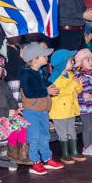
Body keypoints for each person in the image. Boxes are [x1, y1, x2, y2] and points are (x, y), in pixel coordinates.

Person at [20, 42, 63, 175]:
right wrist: (46, 90)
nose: (47, 57)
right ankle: (35, 162)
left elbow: (46, 83)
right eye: (44, 55)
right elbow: (29, 92)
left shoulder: (40, 71)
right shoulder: (26, 73)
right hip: (31, 112)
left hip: (43, 110)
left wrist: (50, 87)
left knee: (45, 135)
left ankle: (47, 158)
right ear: (35, 58)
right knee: (34, 137)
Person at [49, 49, 86, 165]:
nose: (73, 61)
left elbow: (75, 90)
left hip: (70, 109)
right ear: (63, 63)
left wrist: (79, 85)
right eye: (71, 60)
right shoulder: (55, 77)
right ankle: (65, 154)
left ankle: (74, 151)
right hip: (59, 112)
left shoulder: (70, 74)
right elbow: (59, 92)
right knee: (63, 133)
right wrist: (74, 85)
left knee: (72, 131)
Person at [73, 48, 92, 156]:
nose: (91, 62)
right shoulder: (76, 76)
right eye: (87, 60)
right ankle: (87, 146)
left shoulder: (90, 74)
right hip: (84, 107)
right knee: (87, 126)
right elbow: (74, 91)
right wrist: (81, 94)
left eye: (91, 60)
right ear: (80, 63)